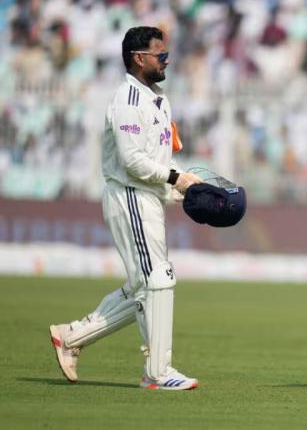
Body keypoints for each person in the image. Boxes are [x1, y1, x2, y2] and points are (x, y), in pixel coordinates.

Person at [49, 26, 203, 390]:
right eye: (160, 55)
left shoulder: (158, 99)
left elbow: (157, 159)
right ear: (139, 58)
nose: (166, 61)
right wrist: (174, 178)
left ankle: (70, 337)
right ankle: (158, 373)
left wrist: (181, 187)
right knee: (157, 280)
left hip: (148, 197)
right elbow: (132, 162)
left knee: (142, 286)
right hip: (130, 195)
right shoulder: (128, 100)